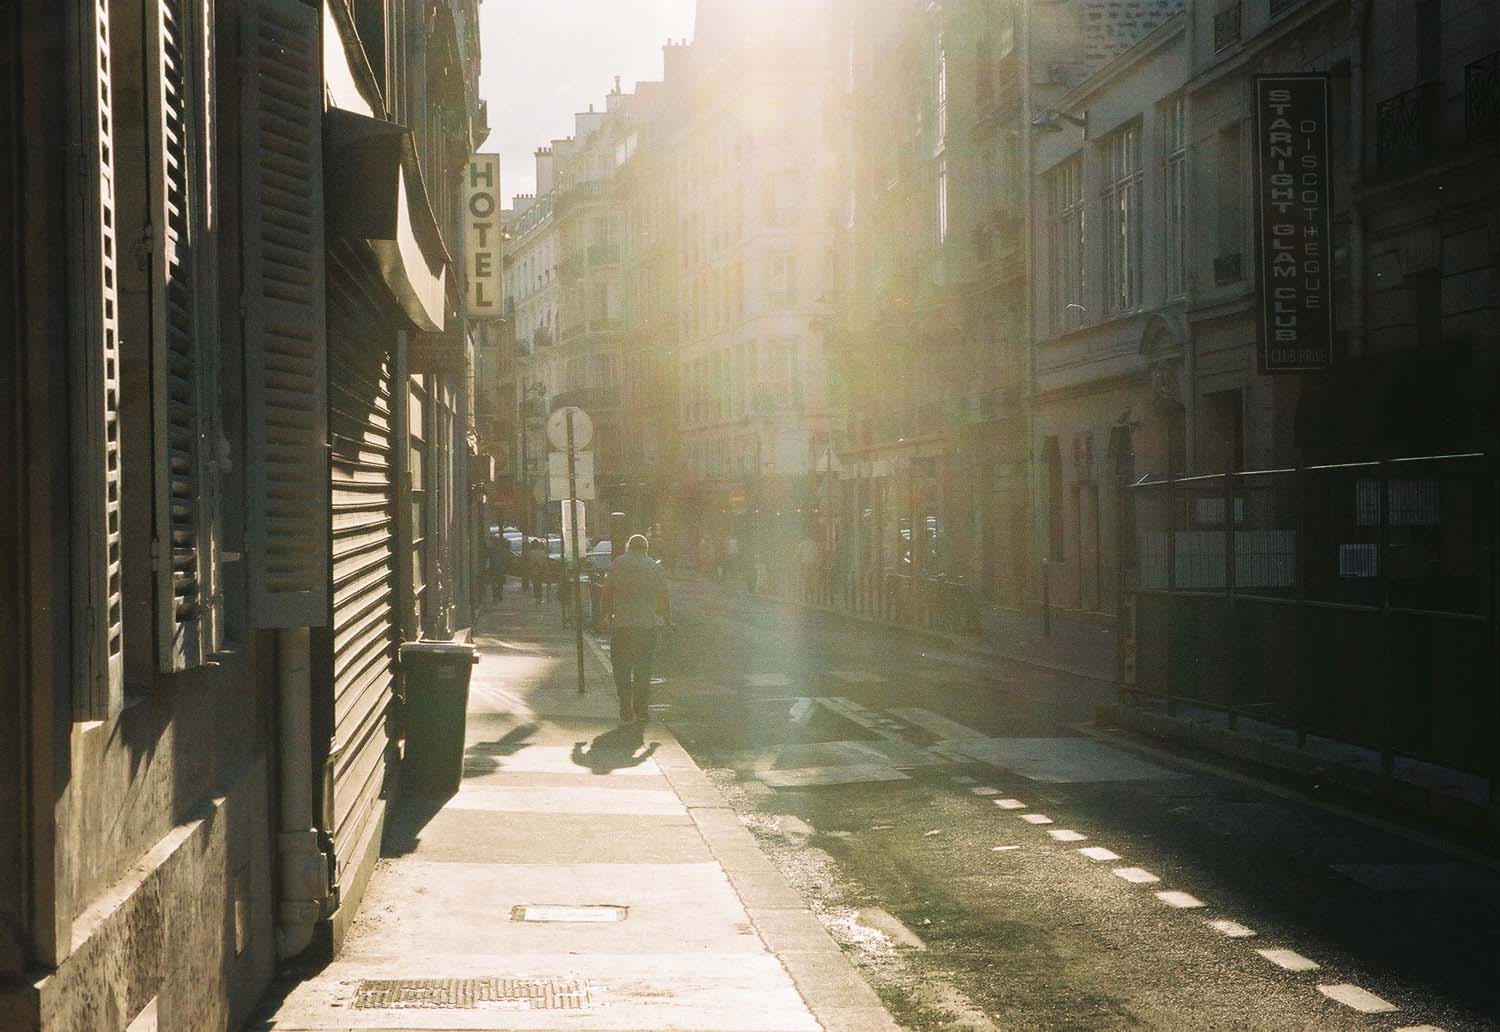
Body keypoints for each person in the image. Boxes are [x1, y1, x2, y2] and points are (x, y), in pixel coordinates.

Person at [601, 534, 670, 724]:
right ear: (646, 549)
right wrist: (665, 617)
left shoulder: (618, 564)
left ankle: (625, 705)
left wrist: (604, 615)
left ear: (628, 547)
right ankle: (641, 709)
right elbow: (664, 595)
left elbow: (607, 591)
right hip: (646, 625)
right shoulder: (654, 567)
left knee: (621, 667)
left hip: (622, 624)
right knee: (643, 668)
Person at [485, 532, 510, 602]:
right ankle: (499, 594)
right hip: (501, 569)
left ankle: (495, 595)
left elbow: (487, 557)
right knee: (500, 583)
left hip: (493, 568)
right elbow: (507, 559)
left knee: (494, 582)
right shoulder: (503, 550)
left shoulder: (491, 550)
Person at [526, 538, 547, 604]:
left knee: (535, 584)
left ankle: (537, 597)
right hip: (540, 570)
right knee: (539, 584)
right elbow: (544, 562)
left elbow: (529, 562)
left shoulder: (530, 553)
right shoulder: (542, 552)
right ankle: (539, 597)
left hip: (534, 570)